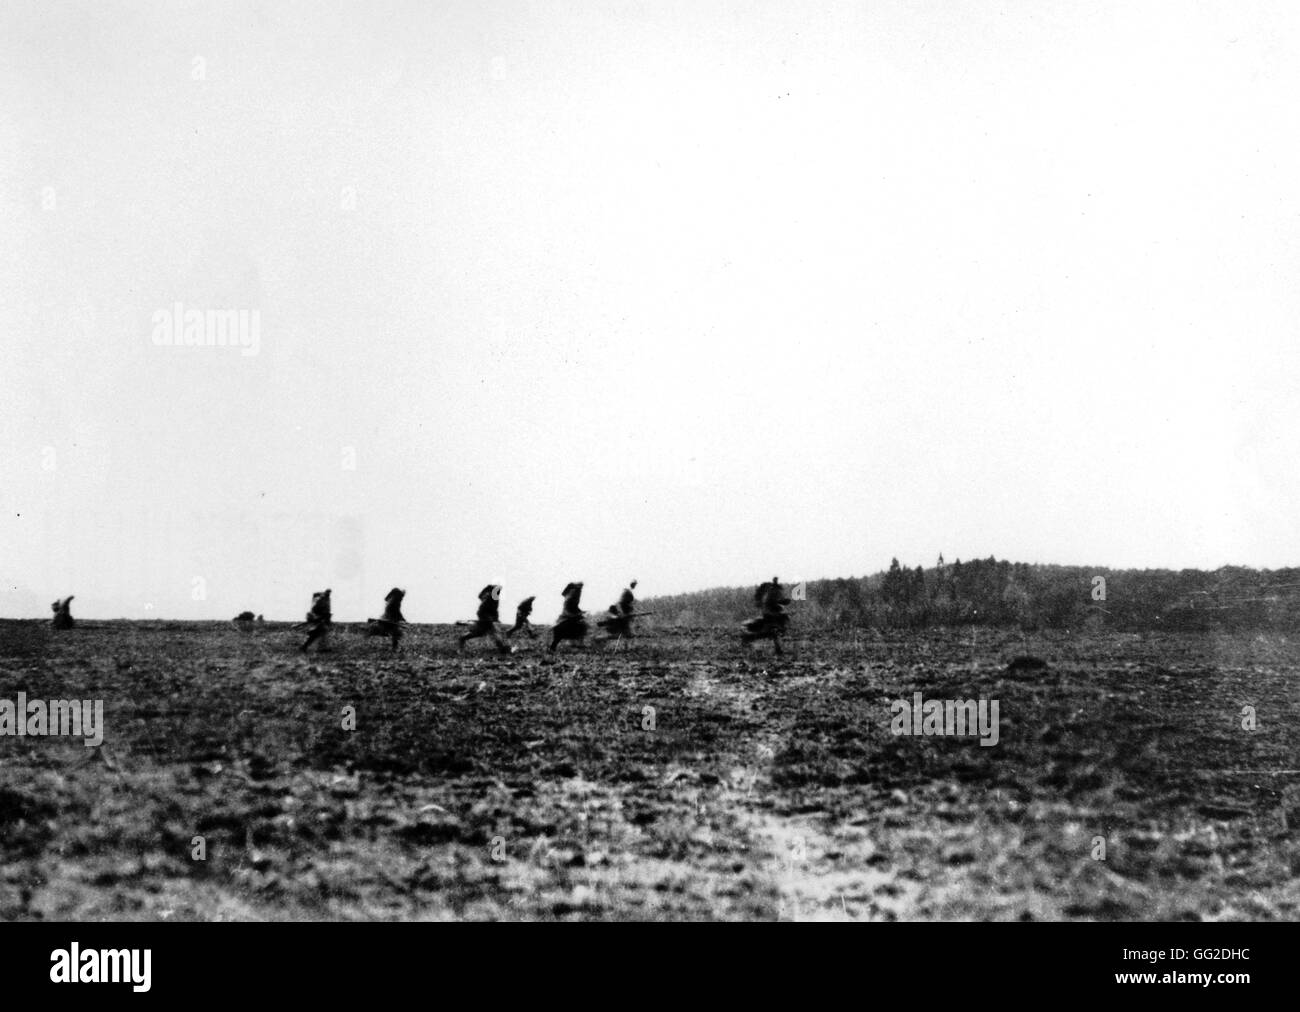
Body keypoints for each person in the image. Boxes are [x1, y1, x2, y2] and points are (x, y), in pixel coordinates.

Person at [741, 576, 792, 655]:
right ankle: (778, 649)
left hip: (772, 612)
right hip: (770, 613)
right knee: (773, 631)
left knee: (776, 631)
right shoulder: (771, 591)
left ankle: (778, 648)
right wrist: (782, 602)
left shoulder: (774, 590)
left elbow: (778, 601)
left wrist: (783, 602)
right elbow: (771, 602)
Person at [459, 584, 511, 653]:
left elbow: (481, 597)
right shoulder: (492, 599)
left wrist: (489, 587)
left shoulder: (490, 598)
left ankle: (503, 649)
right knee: (494, 634)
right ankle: (504, 650)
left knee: (494, 634)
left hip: (486, 620)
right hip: (487, 621)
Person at [549, 581, 588, 651]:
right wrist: (576, 615)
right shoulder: (570, 597)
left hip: (571, 616)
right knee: (579, 626)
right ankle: (572, 642)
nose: (580, 591)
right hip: (565, 617)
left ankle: (576, 642)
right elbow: (566, 609)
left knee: (583, 625)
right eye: (579, 589)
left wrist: (581, 612)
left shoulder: (574, 597)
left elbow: (575, 607)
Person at [300, 589, 333, 653]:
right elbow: (314, 609)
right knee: (316, 633)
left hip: (320, 619)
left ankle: (321, 648)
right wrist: (319, 617)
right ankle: (305, 646)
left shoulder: (325, 599)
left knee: (319, 633)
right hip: (318, 619)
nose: (328, 594)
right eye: (328, 593)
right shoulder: (320, 600)